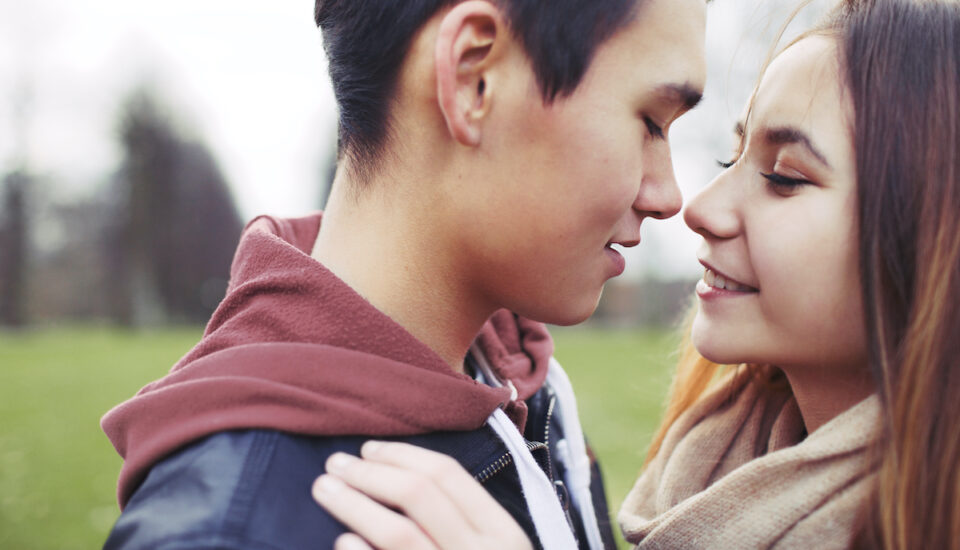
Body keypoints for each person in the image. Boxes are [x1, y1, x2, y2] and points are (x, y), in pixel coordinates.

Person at [310, 0, 960, 548]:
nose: (697, 206)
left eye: (784, 177)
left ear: (934, 233)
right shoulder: (698, 472)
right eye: (730, 156)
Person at [100, 0, 708, 548]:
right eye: (651, 122)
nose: (669, 195)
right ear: (474, 77)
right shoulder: (223, 534)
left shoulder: (522, 379)